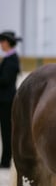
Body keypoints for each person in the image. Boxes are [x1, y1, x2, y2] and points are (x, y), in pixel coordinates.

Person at [0, 31, 21, 168]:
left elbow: (5, 80)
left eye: (2, 42)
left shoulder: (12, 59)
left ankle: (6, 160)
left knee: (7, 130)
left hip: (6, 100)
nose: (1, 45)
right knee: (5, 130)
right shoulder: (8, 58)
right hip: (4, 99)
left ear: (7, 43)